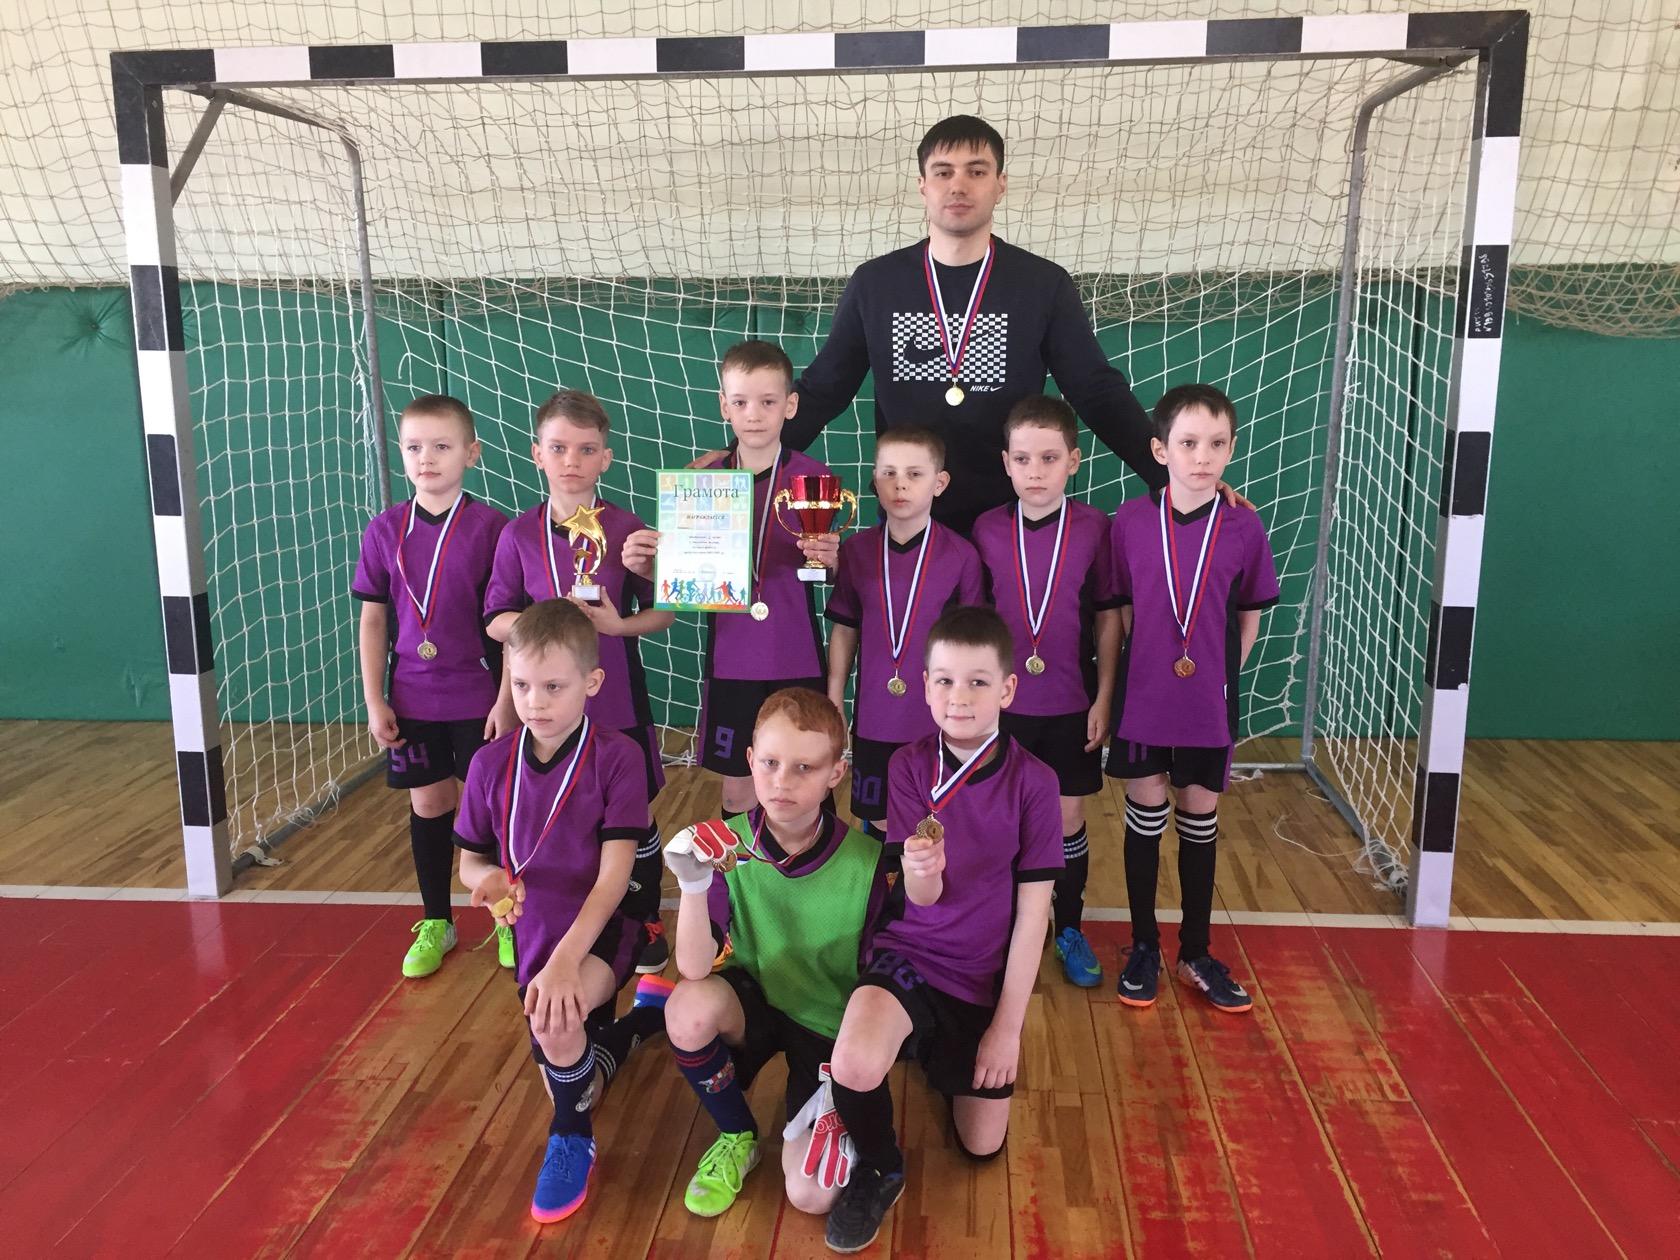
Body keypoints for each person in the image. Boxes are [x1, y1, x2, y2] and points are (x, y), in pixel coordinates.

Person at [773, 114, 1169, 535]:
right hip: (910, 521)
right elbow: (823, 389)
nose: (958, 186)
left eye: (976, 172)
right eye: (943, 172)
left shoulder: (1042, 284)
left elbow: (1095, 390)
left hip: (1011, 524)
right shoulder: (876, 284)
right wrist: (740, 462)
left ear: (1000, 184)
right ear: (923, 185)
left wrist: (1164, 474)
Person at [823, 606, 1061, 1253]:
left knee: (981, 1146)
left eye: (979, 682)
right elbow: (921, 900)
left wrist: (1006, 1030)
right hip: (910, 953)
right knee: (852, 1061)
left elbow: (1033, 916)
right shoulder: (907, 766)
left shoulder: (1036, 783)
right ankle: (880, 1166)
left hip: (980, 974)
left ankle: (928, 1047)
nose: (960, 697)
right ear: (926, 687)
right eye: (946, 681)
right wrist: (921, 871)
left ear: (1007, 689)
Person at [454, 600, 670, 1223]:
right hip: (537, 935)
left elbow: (615, 878)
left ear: (592, 683)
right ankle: (640, 1022)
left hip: (607, 926)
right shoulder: (488, 764)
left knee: (558, 1021)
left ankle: (570, 1140)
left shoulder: (618, 757)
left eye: (554, 687)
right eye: (522, 685)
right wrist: (489, 879)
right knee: (580, 1072)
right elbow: (470, 864)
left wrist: (567, 962)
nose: (535, 702)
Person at [660, 688, 888, 1219]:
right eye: (770, 763)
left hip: (828, 1027)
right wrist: (693, 884)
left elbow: (880, 987)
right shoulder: (724, 846)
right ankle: (737, 1135)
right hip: (755, 1005)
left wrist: (853, 1072)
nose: (782, 781)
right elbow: (693, 968)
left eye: (804, 767)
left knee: (810, 1196)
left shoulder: (869, 863)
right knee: (687, 1008)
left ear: (836, 773)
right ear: (750, 760)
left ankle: (833, 1110)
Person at [484, 389, 675, 974]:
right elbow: (495, 620)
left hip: (616, 697)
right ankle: (542, 915)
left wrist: (620, 619)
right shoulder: (518, 534)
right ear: (537, 453)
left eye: (587, 449)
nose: (572, 460)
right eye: (559, 447)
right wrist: (551, 622)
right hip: (545, 708)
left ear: (606, 459)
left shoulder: (629, 529)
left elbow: (664, 614)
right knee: (552, 810)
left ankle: (644, 918)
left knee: (634, 812)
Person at [1107, 384, 1279, 1013]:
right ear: (1161, 450)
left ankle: (1196, 951)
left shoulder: (1243, 524)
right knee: (1145, 814)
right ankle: (1144, 946)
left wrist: (1221, 673)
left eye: (1216, 444)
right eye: (1187, 443)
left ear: (1231, 450)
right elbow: (1122, 608)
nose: (1202, 456)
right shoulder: (1130, 521)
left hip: (1208, 701)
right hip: (1144, 697)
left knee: (1199, 819)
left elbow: (1250, 613)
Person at [623, 339, 838, 818]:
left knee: (805, 790)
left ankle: (804, 868)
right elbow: (684, 577)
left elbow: (829, 574)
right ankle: (738, 872)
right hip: (732, 661)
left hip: (795, 656)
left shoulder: (813, 479)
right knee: (738, 793)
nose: (754, 414)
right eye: (740, 402)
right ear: (724, 406)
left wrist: (831, 560)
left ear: (791, 405)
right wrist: (651, 566)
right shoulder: (701, 482)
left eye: (768, 401)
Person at [351, 393, 509, 979]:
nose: (427, 458)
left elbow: (510, 627)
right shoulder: (384, 530)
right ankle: (437, 921)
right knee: (429, 804)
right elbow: (373, 619)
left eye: (442, 446)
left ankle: (506, 915)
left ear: (471, 452)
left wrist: (506, 700)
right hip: (414, 696)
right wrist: (375, 699)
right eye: (414, 447)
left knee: (492, 808)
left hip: (480, 697)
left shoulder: (492, 528)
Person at [971, 395, 1121, 988]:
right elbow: (977, 625)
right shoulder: (987, 528)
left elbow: (1108, 619)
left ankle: (1069, 928)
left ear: (1073, 462)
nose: (1036, 471)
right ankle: (1005, 930)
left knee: (1066, 819)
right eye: (1023, 459)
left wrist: (1103, 697)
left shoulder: (1096, 528)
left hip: (1069, 703)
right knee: (1000, 819)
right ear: (1005, 463)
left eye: (1050, 458)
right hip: (1003, 708)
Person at [825, 426, 983, 837]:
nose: (900, 484)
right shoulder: (856, 551)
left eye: (915, 474)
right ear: (874, 479)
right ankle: (882, 883)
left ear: (939, 483)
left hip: (940, 718)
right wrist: (835, 695)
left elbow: (974, 647)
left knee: (937, 821)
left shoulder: (962, 555)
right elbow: (845, 629)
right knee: (879, 822)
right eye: (889, 473)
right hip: (875, 717)